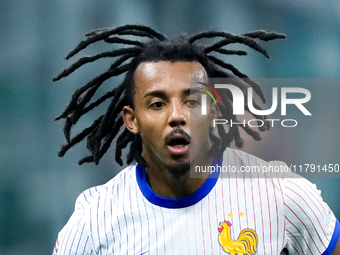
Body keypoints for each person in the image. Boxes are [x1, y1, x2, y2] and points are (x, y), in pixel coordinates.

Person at [52, 25, 340, 254]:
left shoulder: (283, 194)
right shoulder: (95, 220)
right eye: (157, 104)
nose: (177, 116)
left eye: (192, 102)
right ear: (132, 120)